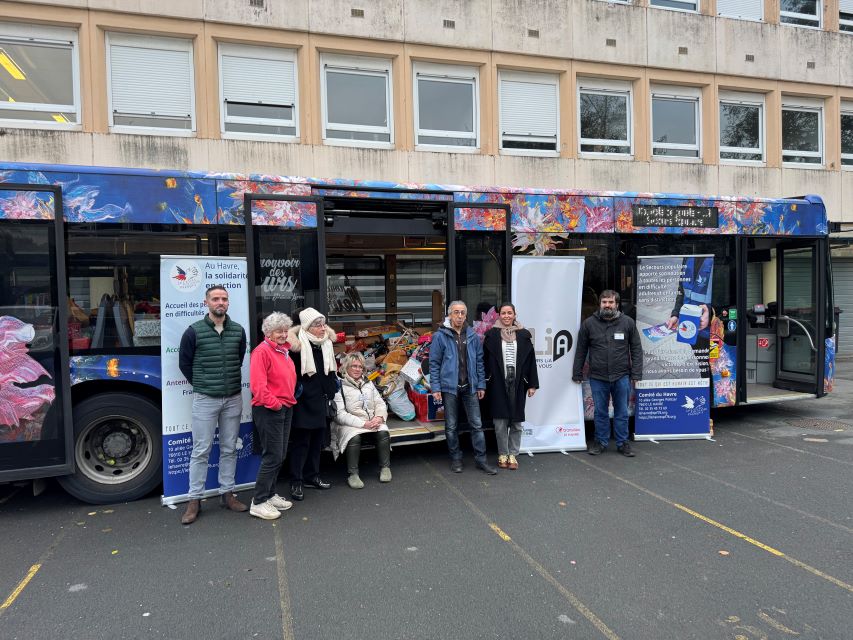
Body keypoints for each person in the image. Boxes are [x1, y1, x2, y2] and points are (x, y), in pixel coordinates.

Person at [178, 285, 248, 525]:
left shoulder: (238, 331)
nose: (221, 302)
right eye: (216, 299)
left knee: (229, 448)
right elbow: (185, 364)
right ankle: (194, 500)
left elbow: (238, 360)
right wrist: (203, 383)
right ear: (206, 303)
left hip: (233, 398)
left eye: (224, 299)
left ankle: (227, 494)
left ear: (228, 303)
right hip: (205, 398)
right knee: (201, 450)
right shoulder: (193, 332)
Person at [429, 301, 497, 475]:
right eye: (456, 312)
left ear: (466, 315)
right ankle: (456, 459)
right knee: (451, 426)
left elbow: (479, 362)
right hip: (449, 387)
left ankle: (481, 460)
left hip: (470, 386)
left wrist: (481, 384)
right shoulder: (440, 336)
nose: (459, 316)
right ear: (450, 315)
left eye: (462, 313)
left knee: (477, 425)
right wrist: (435, 388)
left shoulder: (472, 335)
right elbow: (434, 364)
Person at [572, 290, 642, 458]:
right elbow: (581, 350)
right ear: (600, 304)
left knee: (622, 412)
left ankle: (622, 443)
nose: (607, 305)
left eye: (611, 302)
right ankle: (600, 442)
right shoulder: (589, 324)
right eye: (604, 302)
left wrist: (636, 374)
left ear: (617, 304)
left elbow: (637, 349)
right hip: (598, 377)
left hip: (621, 376)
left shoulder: (628, 323)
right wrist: (577, 372)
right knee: (600, 412)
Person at [248, 312, 298, 520]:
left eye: (286, 330)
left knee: (280, 454)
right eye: (279, 331)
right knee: (273, 456)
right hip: (270, 410)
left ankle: (269, 494)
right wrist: (275, 405)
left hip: (285, 407)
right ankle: (258, 501)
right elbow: (258, 387)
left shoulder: (283, 351)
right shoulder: (262, 352)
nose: (283, 334)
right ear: (268, 332)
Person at [286, 307, 338, 501]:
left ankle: (312, 476)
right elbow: (291, 374)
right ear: (307, 327)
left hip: (322, 400)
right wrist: (302, 391)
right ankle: (296, 480)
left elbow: (331, 370)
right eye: (318, 325)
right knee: (301, 443)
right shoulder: (297, 346)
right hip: (303, 402)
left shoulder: (326, 343)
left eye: (323, 323)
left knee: (317, 442)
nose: (323, 328)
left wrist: (332, 388)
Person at [482, 303, 539, 470]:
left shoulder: (523, 335)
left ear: (515, 315)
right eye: (503, 313)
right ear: (499, 315)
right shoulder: (491, 335)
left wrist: (532, 384)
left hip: (518, 382)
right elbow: (484, 361)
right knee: (500, 422)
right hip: (498, 382)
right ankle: (502, 453)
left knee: (516, 422)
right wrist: (484, 382)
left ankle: (513, 454)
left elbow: (531, 361)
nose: (506, 316)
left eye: (510, 313)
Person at [331, 352, 391, 489]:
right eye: (354, 366)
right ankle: (353, 474)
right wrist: (363, 424)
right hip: (350, 424)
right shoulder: (339, 386)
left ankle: (385, 468)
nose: (358, 369)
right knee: (354, 438)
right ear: (346, 367)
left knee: (383, 432)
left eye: (360, 367)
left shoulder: (367, 383)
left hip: (371, 420)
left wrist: (379, 417)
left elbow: (380, 403)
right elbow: (339, 415)